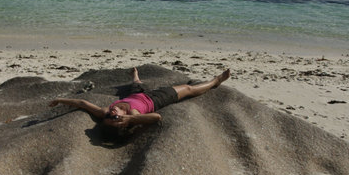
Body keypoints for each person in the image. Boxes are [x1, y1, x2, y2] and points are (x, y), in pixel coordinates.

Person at [49, 67, 230, 132]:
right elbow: (157, 118)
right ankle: (215, 81)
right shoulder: (133, 114)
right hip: (155, 99)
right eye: (115, 118)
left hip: (134, 94)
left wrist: (60, 99)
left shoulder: (104, 112)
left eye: (110, 118)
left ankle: (135, 75)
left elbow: (82, 103)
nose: (112, 114)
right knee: (188, 89)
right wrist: (130, 118)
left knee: (136, 82)